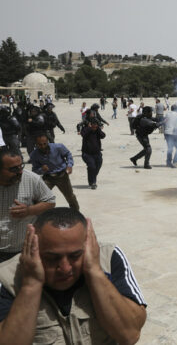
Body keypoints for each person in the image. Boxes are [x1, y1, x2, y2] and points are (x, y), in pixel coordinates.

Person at [0, 208, 147, 342]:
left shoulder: (108, 258)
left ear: (88, 244)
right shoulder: (6, 277)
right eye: (52, 258)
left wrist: (95, 272)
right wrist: (31, 285)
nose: (65, 268)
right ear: (33, 246)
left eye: (75, 255)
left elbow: (129, 335)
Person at [0, 149, 56, 262]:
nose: (20, 171)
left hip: (24, 250)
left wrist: (29, 210)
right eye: (14, 169)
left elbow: (50, 201)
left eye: (21, 166)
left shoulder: (31, 179)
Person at [29, 134, 80, 211]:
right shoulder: (34, 155)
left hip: (62, 176)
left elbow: (68, 154)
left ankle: (76, 213)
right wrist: (41, 169)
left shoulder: (58, 147)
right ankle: (40, 215)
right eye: (40, 144)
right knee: (39, 196)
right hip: (48, 178)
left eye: (44, 144)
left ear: (48, 141)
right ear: (36, 144)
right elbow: (35, 170)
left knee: (70, 196)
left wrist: (69, 165)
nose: (42, 146)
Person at [80, 118, 105, 190]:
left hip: (97, 153)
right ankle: (93, 182)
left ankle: (92, 178)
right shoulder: (85, 129)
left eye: (96, 125)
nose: (94, 127)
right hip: (87, 153)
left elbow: (103, 136)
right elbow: (83, 135)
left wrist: (98, 129)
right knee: (92, 166)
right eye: (93, 125)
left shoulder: (97, 130)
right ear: (90, 125)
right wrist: (90, 129)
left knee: (98, 166)